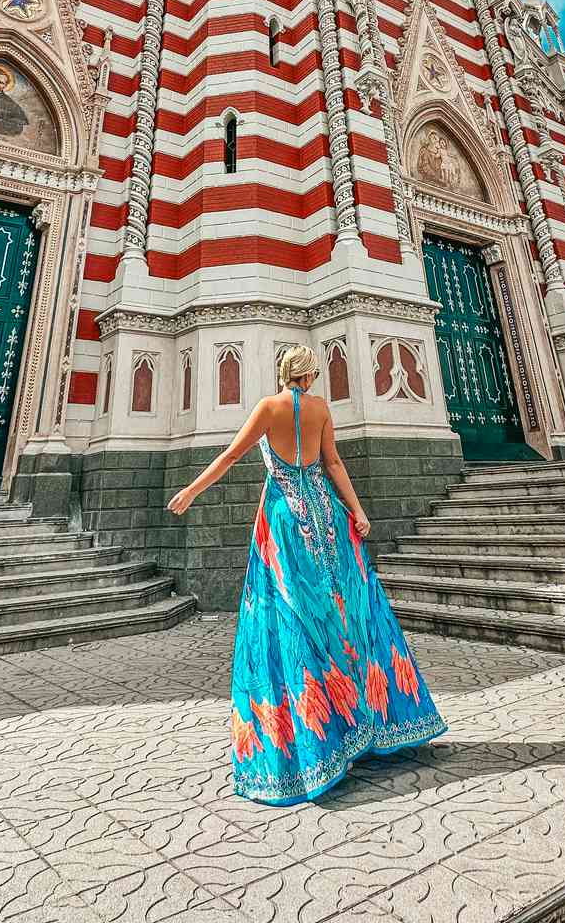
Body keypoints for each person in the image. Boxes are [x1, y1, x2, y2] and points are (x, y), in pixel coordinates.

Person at [167, 344, 446, 805]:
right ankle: (367, 723)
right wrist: (357, 511)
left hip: (285, 522)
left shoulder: (268, 408)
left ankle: (313, 742)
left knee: (290, 616)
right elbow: (333, 463)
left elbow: (232, 456)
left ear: (281, 373)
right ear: (312, 375)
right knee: (346, 613)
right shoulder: (319, 409)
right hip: (327, 516)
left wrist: (191, 490)